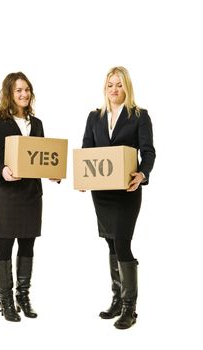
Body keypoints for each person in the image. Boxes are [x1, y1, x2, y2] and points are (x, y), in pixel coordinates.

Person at [0, 72, 57, 322]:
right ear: (9, 94)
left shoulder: (37, 123)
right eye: (18, 90)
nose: (24, 94)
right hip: (5, 193)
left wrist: (53, 173)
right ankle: (7, 300)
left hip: (32, 194)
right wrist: (0, 171)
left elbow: (41, 156)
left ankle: (23, 296)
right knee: (4, 244)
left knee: (28, 244)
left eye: (27, 90)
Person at [81, 66, 156, 329]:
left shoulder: (139, 116)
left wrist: (143, 174)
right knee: (111, 245)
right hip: (101, 193)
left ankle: (130, 308)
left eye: (120, 85)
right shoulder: (94, 117)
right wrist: (83, 178)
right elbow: (87, 151)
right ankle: (116, 300)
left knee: (123, 244)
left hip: (127, 190)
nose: (115, 89)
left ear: (127, 88)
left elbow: (148, 151)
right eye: (111, 84)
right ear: (105, 88)